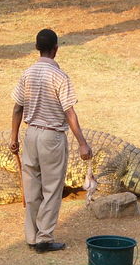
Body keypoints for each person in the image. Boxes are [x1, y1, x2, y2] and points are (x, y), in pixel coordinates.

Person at [9, 29, 92, 253]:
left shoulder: (27, 74)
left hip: (31, 135)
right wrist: (83, 143)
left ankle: (31, 236)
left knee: (32, 187)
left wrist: (14, 137)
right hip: (52, 137)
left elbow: (18, 108)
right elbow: (70, 113)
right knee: (52, 189)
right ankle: (44, 238)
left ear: (37, 48)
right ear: (56, 49)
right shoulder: (60, 77)